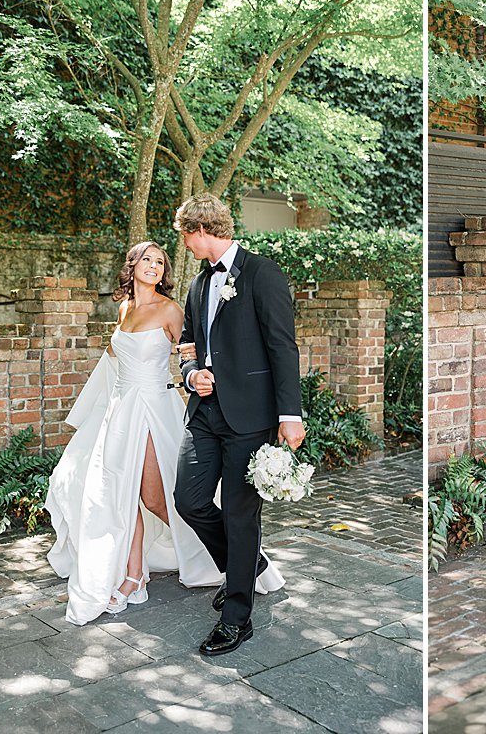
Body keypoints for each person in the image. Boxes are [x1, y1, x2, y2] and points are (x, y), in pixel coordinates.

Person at [46, 242, 284, 626]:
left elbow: (195, 349)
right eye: (148, 260)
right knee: (121, 496)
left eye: (160, 261)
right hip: (120, 414)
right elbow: (111, 365)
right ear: (133, 266)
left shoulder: (171, 310)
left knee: (157, 499)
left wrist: (199, 377)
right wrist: (93, 417)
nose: (154, 266)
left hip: (154, 411)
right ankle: (133, 578)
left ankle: (238, 560)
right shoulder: (123, 309)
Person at [173, 194, 305, 656]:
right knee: (187, 500)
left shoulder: (262, 274)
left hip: (250, 415)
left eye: (186, 236)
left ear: (201, 230)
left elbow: (283, 348)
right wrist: (191, 375)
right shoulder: (196, 285)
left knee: (239, 512)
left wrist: (290, 415)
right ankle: (244, 567)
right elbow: (187, 344)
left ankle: (236, 617)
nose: (186, 246)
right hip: (204, 415)